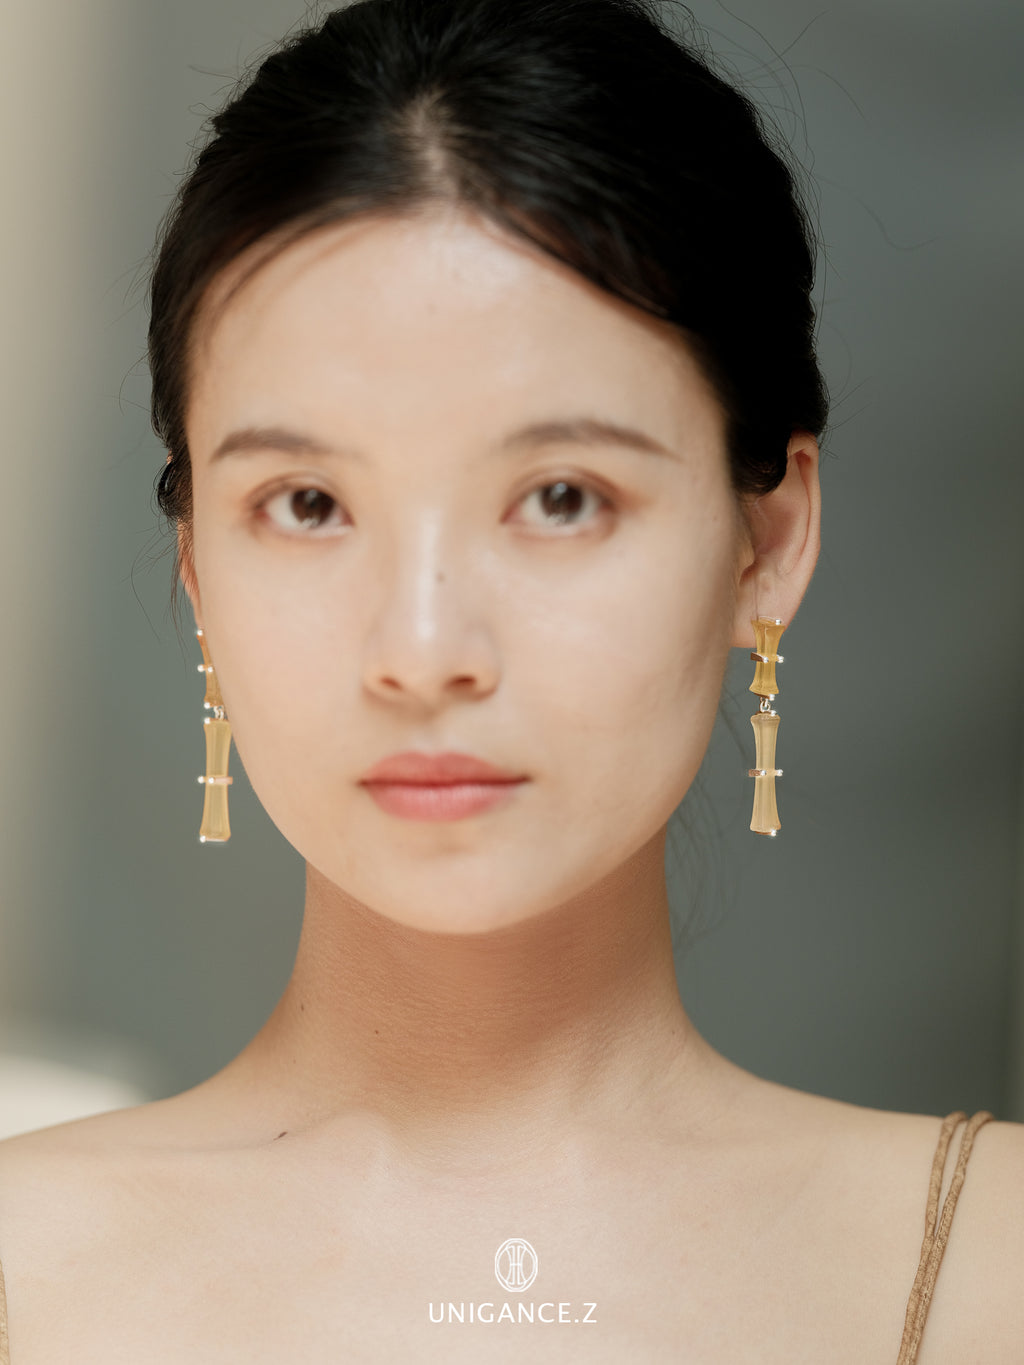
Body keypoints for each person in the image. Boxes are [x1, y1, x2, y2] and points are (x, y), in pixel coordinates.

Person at [0, 0, 1020, 1359]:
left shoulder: (986, 1263)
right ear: (195, 570)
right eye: (308, 504)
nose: (424, 651)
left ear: (766, 541)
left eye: (559, 498)